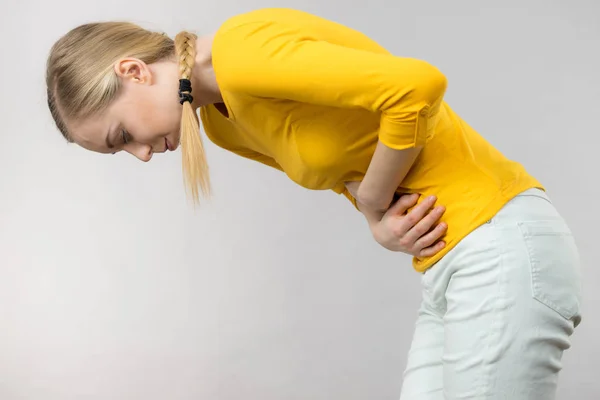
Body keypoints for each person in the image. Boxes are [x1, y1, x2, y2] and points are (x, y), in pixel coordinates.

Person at [45, 7, 582, 399]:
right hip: (449, 267)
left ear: (133, 71)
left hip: (499, 243)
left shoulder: (241, 51)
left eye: (122, 136)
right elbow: (347, 174)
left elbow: (416, 89)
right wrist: (377, 221)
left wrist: (373, 198)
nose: (139, 156)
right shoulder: (221, 124)